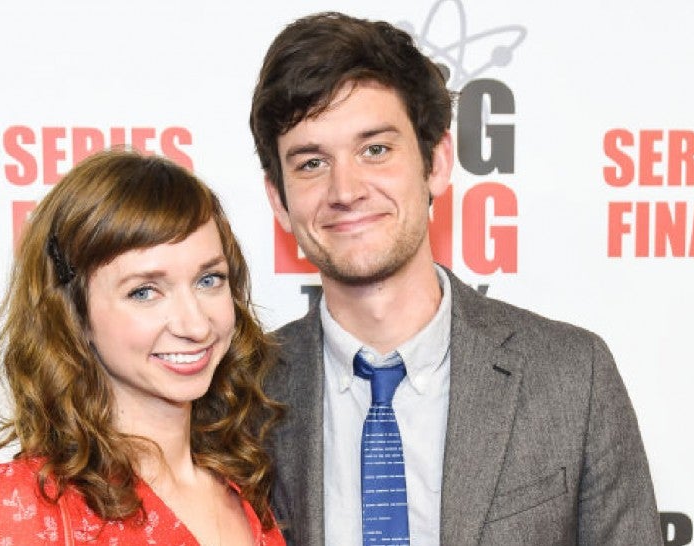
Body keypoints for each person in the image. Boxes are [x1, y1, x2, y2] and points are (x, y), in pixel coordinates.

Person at [249, 11, 661, 546]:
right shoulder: (240, 397)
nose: (345, 190)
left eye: (375, 150)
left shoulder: (572, 377)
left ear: (437, 163)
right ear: (278, 200)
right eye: (311, 163)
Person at [0, 149, 286, 546]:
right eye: (145, 291)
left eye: (209, 280)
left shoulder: (248, 485)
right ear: (74, 313)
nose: (196, 325)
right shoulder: (26, 505)